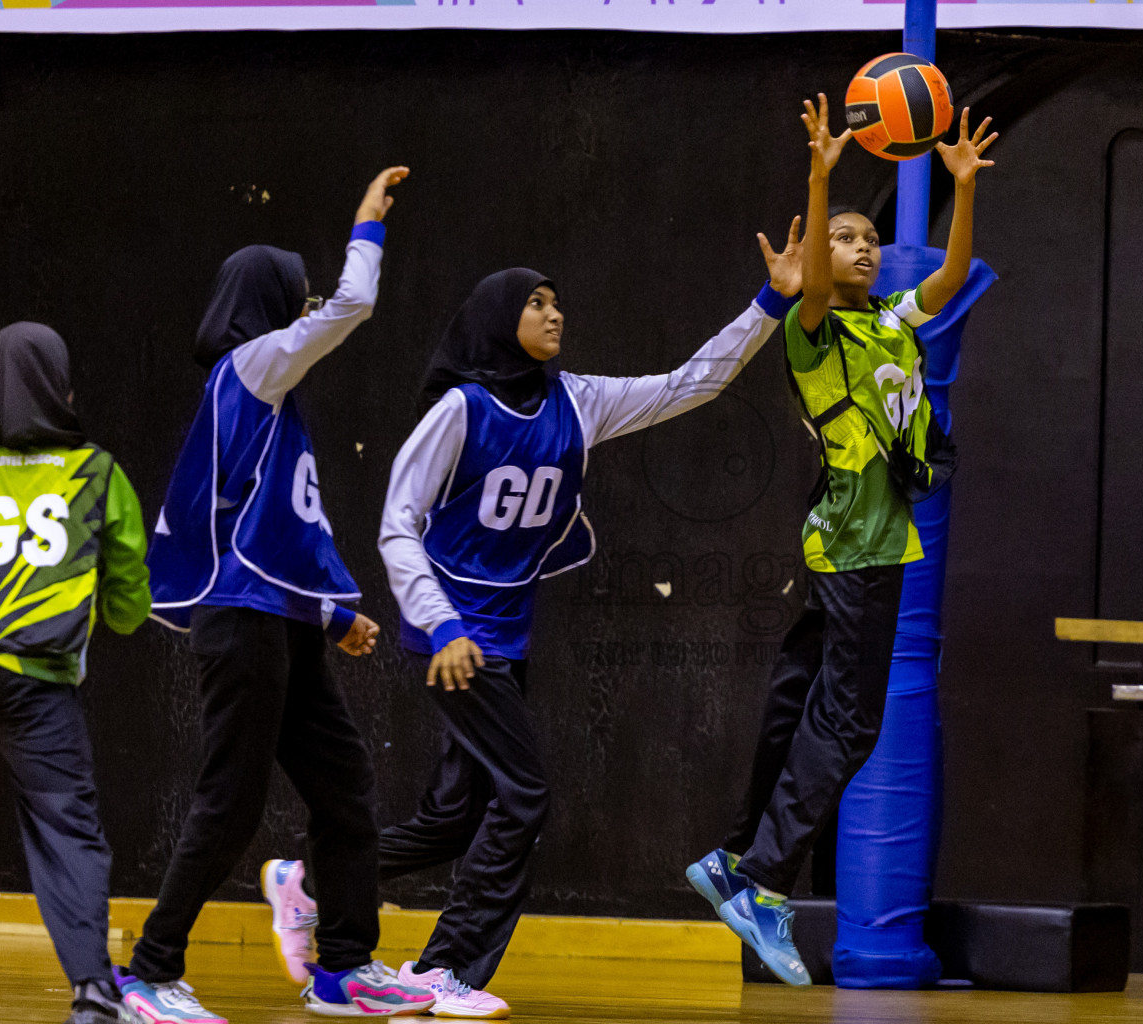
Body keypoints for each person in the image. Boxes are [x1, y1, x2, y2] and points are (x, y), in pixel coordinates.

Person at [256, 226, 803, 1018]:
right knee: (526, 793)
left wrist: (770, 303)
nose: (553, 314)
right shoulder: (459, 410)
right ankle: (449, 971)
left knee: (454, 818)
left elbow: (693, 383)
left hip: (504, 632)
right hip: (454, 635)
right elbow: (396, 525)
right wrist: (442, 626)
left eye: (556, 302)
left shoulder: (577, 401)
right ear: (496, 318)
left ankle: (311, 882)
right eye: (535, 303)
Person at [684, 95, 998, 986]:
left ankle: (734, 855)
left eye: (868, 238)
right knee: (852, 723)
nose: (860, 247)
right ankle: (762, 885)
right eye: (844, 238)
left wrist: (962, 187)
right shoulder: (811, 327)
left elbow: (950, 277)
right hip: (857, 546)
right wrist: (821, 180)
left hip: (862, 544)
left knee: (800, 703)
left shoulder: (892, 318)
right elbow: (811, 283)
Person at [115, 167, 435, 1022]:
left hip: (281, 619)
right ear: (269, 305)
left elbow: (270, 533)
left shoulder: (266, 403)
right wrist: (366, 228)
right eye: (297, 300)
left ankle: (343, 971)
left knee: (344, 785)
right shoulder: (247, 370)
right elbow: (352, 310)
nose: (307, 314)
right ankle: (148, 971)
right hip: (244, 626)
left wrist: (332, 613)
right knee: (231, 800)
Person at [0, 322, 152, 1024]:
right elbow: (130, 608)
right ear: (58, 388)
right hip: (32, 681)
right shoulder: (95, 472)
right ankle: (94, 992)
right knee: (67, 829)